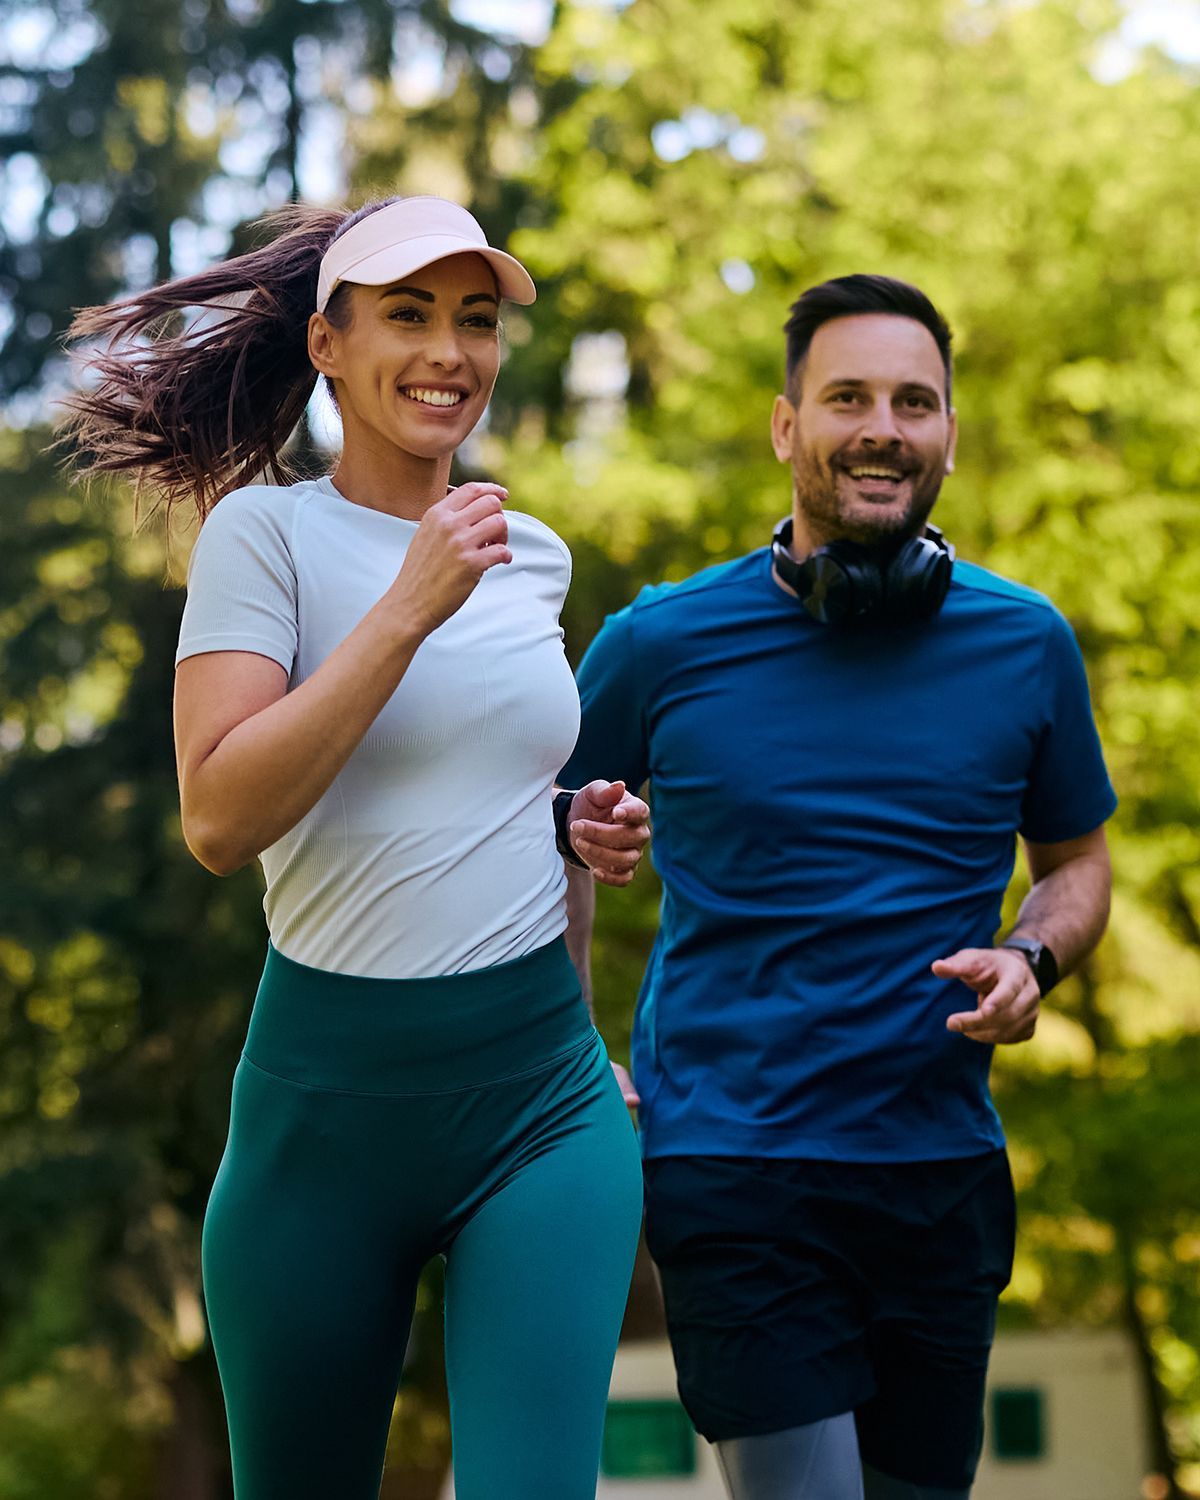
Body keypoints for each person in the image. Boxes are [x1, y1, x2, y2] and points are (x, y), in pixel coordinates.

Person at [63, 195, 650, 1500]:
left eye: (476, 320)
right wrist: (407, 609)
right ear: (328, 345)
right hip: (324, 1124)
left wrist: (569, 825)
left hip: (539, 1103)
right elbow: (219, 818)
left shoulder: (530, 553)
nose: (450, 350)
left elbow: (505, 794)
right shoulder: (262, 536)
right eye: (408, 315)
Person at [560, 274, 1115, 1500]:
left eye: (914, 401)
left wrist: (1033, 959)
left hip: (939, 1173)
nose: (882, 426)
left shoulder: (1027, 643)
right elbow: (537, 831)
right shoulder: (660, 641)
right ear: (785, 426)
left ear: (948, 436)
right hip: (736, 1164)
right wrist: (567, 1042)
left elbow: (1077, 865)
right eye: (848, 396)